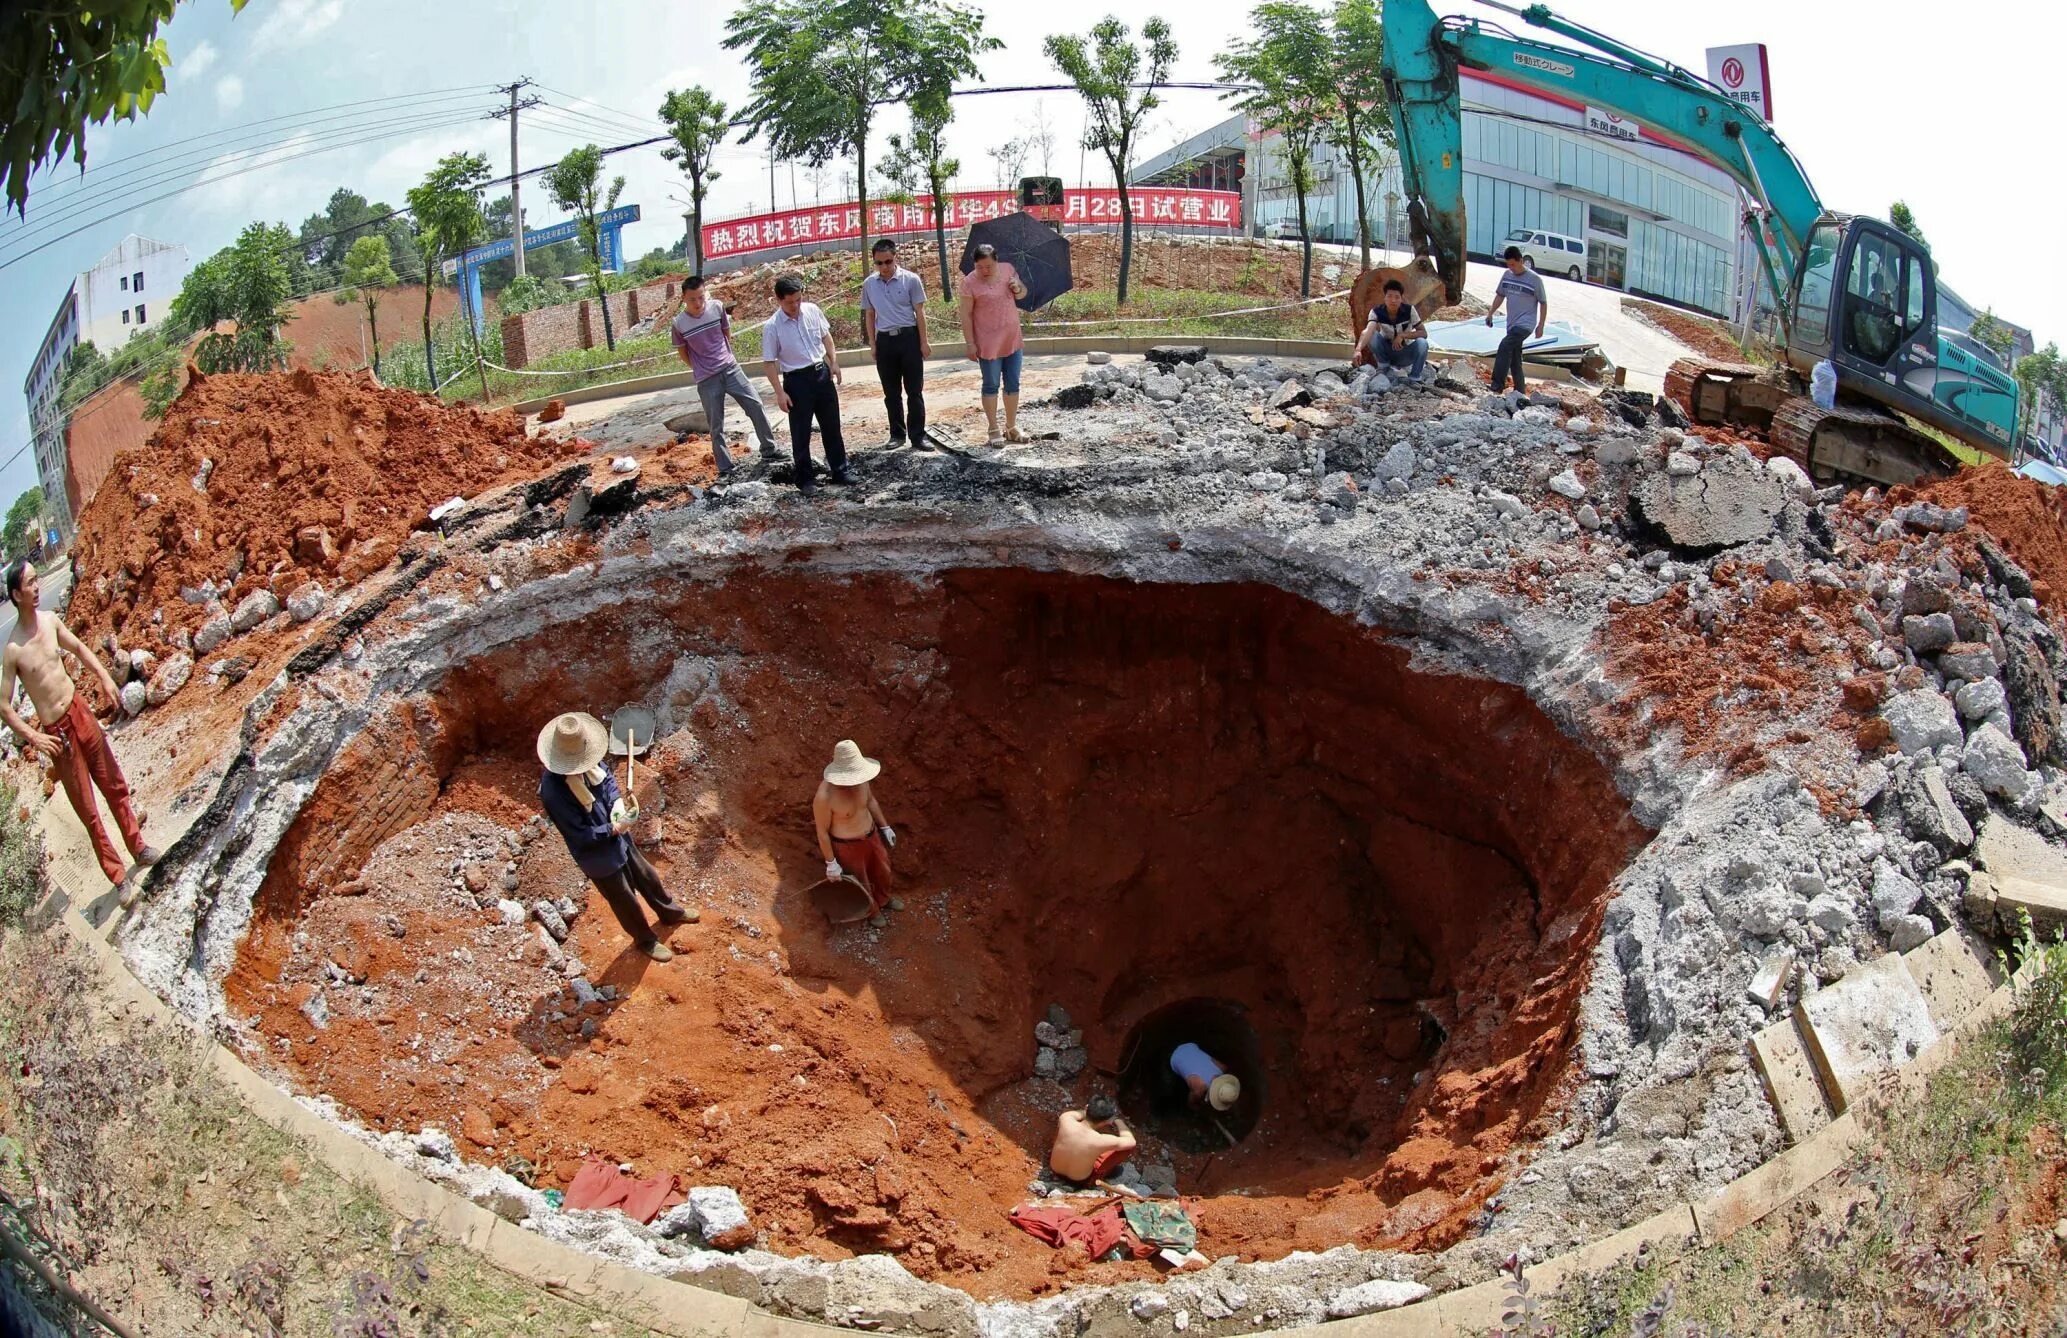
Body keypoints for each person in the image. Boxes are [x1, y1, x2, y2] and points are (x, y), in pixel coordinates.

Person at [0, 559, 158, 893]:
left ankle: (139, 849)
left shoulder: (50, 621)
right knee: (88, 810)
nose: (37, 586)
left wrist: (103, 676)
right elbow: (3, 705)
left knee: (114, 785)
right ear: (16, 594)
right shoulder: (13, 650)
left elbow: (79, 647)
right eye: (29, 583)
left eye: (36, 580)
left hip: (80, 713)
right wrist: (33, 737)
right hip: (58, 736)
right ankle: (118, 878)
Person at [536, 711, 697, 962]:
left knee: (646, 876)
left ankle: (670, 912)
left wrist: (617, 805)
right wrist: (612, 829)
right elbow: (580, 835)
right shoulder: (554, 793)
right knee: (624, 898)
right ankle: (645, 940)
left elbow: (608, 780)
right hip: (597, 855)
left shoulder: (590, 764)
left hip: (618, 834)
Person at [672, 274, 778, 475]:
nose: (698, 303)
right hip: (706, 379)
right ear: (684, 298)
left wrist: (726, 357)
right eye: (692, 299)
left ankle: (769, 449)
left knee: (755, 404)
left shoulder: (717, 308)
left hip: (730, 369)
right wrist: (699, 366)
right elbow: (683, 353)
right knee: (716, 425)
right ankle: (726, 468)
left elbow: (725, 333)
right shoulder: (679, 324)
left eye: (701, 297)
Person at [761, 274, 852, 494]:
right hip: (797, 381)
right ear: (779, 300)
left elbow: (826, 337)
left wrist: (834, 362)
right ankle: (805, 479)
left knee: (831, 426)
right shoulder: (772, 327)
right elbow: (769, 363)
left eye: (798, 300)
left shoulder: (812, 311)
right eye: (790, 302)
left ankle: (840, 470)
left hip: (821, 375)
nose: (795, 306)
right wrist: (780, 393)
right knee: (801, 433)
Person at [814, 738, 899, 924]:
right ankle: (873, 912)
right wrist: (831, 863)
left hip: (872, 836)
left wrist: (885, 827)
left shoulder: (862, 780)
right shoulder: (825, 796)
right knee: (862, 880)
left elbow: (871, 802)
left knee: (883, 871)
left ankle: (884, 899)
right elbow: (822, 832)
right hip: (848, 846)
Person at [860, 239, 932, 450]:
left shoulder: (910, 280)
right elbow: (870, 314)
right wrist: (873, 344)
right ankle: (897, 435)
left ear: (895, 258)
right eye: (879, 263)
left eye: (888, 262)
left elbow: (920, 313)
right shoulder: (869, 284)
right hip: (885, 342)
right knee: (891, 393)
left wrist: (923, 342)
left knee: (914, 391)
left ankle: (918, 436)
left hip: (908, 339)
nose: (884, 267)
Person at [958, 242, 1029, 446]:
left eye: (988, 266)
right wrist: (970, 343)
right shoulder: (969, 282)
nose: (984, 271)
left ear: (996, 261)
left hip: (1012, 337)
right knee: (991, 384)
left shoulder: (1008, 269)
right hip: (988, 342)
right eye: (979, 267)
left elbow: (1022, 294)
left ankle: (1011, 426)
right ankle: (993, 428)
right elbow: (966, 314)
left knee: (1013, 383)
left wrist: (1018, 287)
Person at [1484, 245, 1548, 395]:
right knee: (1514, 358)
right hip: (1511, 323)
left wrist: (1541, 325)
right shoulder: (1507, 275)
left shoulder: (1535, 280)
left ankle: (1497, 384)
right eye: (1508, 264)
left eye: (1513, 264)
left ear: (1521, 261)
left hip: (1526, 324)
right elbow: (1500, 295)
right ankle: (1520, 390)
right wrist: (1490, 313)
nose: (1511, 267)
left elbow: (1543, 303)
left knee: (1505, 346)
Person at [1050, 1094, 1138, 1185]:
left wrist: (1090, 1111)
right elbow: (1131, 1142)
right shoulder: (1101, 1140)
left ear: (1086, 1107)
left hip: (1055, 1170)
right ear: (1107, 1121)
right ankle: (1105, 1173)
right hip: (1079, 1181)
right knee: (1126, 1148)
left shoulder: (1066, 1119)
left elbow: (1078, 1113)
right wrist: (1118, 1121)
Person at [1356, 278, 1429, 382]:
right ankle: (1384, 367)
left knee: (1422, 343)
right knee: (1373, 335)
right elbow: (1368, 330)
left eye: (1396, 297)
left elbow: (1423, 333)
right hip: (1386, 352)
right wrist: (1358, 350)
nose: (1393, 300)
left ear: (1401, 298)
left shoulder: (1409, 310)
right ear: (1384, 298)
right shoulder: (1376, 312)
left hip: (1405, 353)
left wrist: (1403, 335)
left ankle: (1414, 378)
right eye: (1389, 296)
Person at [1169, 1041, 1240, 1113]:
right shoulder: (1199, 1090)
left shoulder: (1223, 1068)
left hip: (1189, 1046)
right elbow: (1191, 1104)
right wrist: (1205, 1112)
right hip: (1174, 1058)